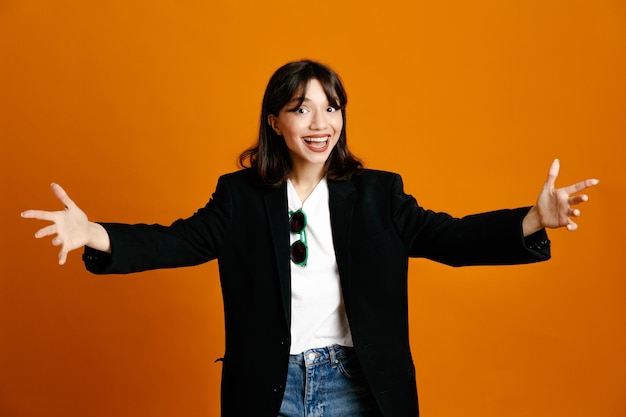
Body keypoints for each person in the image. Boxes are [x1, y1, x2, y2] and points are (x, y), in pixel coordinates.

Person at [21, 60, 599, 417]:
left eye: (332, 108)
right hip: (269, 390)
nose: (321, 123)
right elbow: (179, 242)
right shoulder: (240, 197)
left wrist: (532, 218)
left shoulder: (378, 194)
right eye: (302, 109)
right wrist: (93, 233)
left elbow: (448, 238)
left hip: (359, 385)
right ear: (275, 120)